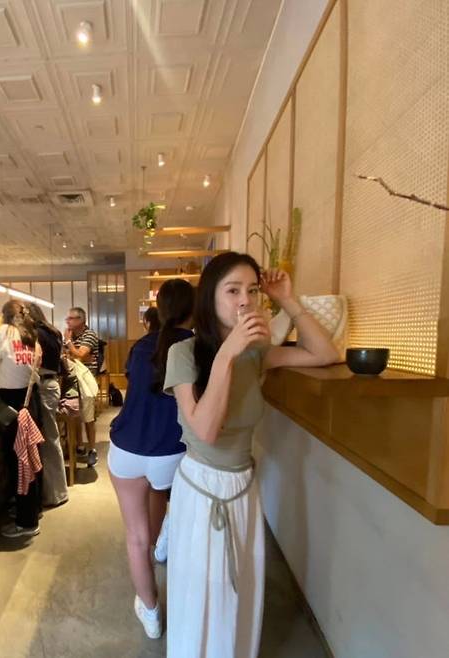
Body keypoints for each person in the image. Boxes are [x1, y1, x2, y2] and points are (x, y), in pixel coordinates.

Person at [164, 252, 338, 658]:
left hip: (243, 487)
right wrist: (227, 353)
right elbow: (206, 431)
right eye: (233, 290)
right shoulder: (184, 353)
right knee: (204, 593)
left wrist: (288, 300)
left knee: (239, 590)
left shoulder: (257, 353)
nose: (245, 300)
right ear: (210, 298)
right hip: (201, 488)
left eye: (253, 290)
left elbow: (325, 354)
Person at [108, 279, 195, 639]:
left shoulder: (140, 347)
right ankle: (165, 539)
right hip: (172, 452)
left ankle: (151, 612)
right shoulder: (198, 347)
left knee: (136, 538)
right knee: (159, 489)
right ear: (194, 311)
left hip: (127, 449)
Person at [0, 300, 43, 538]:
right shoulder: (30, 335)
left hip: (11, 404)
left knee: (19, 462)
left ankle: (26, 522)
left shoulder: (4, 332)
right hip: (30, 401)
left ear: (3, 315)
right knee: (31, 459)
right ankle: (33, 510)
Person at [27, 303, 68, 507]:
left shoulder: (36, 334)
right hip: (52, 384)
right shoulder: (53, 332)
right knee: (51, 439)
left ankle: (55, 494)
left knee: (48, 440)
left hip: (44, 386)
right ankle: (55, 491)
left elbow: (34, 362)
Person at [63, 307, 100, 467]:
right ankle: (79, 446)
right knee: (75, 414)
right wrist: (75, 353)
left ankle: (92, 450)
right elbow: (67, 356)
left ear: (81, 320)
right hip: (72, 380)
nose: (68, 321)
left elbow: (80, 355)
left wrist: (69, 344)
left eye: (71, 318)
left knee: (88, 417)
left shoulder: (89, 334)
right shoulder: (72, 336)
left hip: (86, 381)